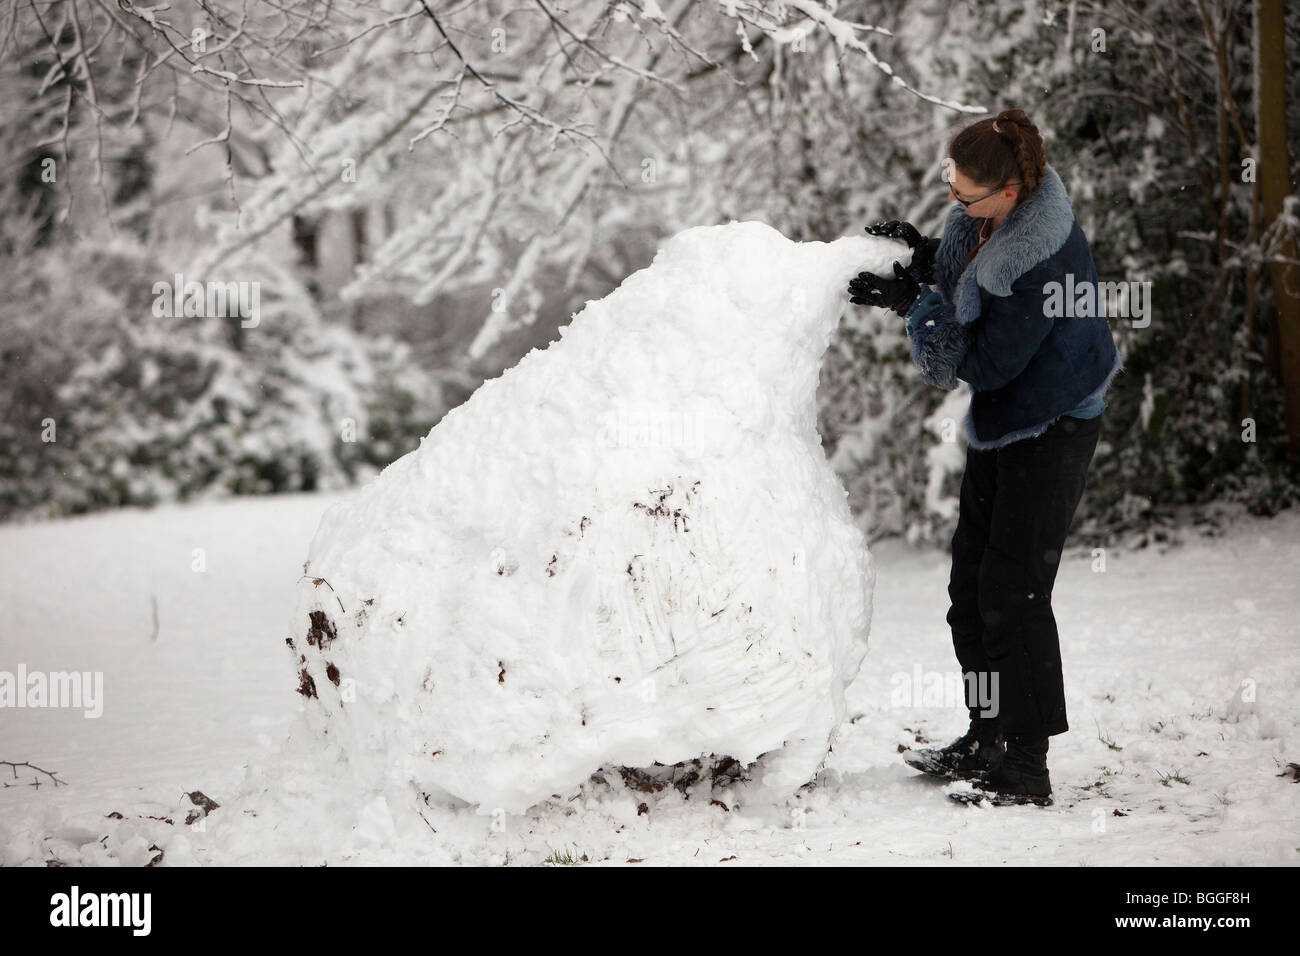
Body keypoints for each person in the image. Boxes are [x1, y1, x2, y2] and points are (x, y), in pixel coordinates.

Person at [847, 108, 1124, 806]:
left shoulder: (1040, 259)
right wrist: (917, 256)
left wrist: (916, 307)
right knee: (969, 593)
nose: (953, 202)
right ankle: (985, 734)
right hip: (1004, 426)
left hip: (1054, 423)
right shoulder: (984, 216)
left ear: (1009, 192)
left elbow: (981, 365)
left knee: (1015, 597)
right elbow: (958, 271)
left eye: (963, 194)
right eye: (949, 185)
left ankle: (1025, 766)